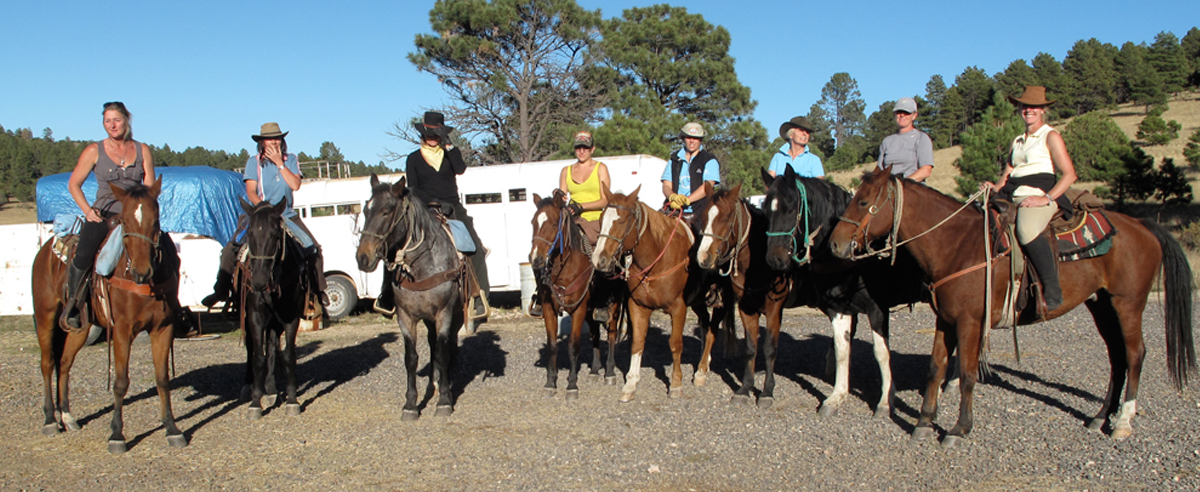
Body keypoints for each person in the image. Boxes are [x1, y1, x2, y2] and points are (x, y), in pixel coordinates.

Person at [62, 102, 192, 335]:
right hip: (105, 214)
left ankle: (174, 307)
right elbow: (74, 184)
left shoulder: (142, 150)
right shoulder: (94, 150)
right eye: (107, 121)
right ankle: (74, 305)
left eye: (117, 120)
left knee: (168, 251)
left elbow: (150, 188)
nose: (112, 125)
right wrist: (88, 211)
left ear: (127, 120)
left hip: (136, 216)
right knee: (83, 253)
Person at [374, 111, 489, 318]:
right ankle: (387, 296)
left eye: (437, 134)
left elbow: (460, 169)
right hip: (424, 208)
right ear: (422, 135)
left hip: (453, 207)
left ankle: (479, 298)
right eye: (429, 134)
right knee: (392, 246)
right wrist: (431, 204)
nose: (432, 138)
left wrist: (450, 145)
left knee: (474, 248)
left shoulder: (450, 154)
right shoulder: (413, 158)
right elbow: (413, 188)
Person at [201, 122, 329, 308]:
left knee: (312, 247)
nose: (274, 142)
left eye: (277, 138)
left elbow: (295, 185)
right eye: (269, 139)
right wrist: (263, 209)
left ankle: (317, 290)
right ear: (262, 142)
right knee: (230, 248)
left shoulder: (291, 159)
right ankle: (221, 290)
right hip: (260, 214)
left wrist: (279, 163)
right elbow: (251, 191)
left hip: (286, 214)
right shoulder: (254, 162)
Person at [981, 86, 1076, 312]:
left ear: (1043, 110)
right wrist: (994, 187)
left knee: (1026, 230)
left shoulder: (1050, 136)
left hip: (1040, 193)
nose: (1028, 110)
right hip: (1012, 193)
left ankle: (1052, 288)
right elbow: (1007, 174)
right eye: (1025, 106)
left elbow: (1069, 174)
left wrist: (1046, 199)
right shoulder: (1017, 140)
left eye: (1034, 106)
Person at [529, 131, 612, 318]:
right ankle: (541, 294)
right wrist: (559, 196)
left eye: (585, 148)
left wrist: (581, 206)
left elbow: (606, 199)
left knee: (598, 252)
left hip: (594, 218)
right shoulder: (566, 170)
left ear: (592, 149)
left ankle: (602, 301)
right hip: (571, 218)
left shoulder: (600, 168)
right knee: (545, 244)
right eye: (578, 148)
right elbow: (563, 196)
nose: (581, 151)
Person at [661, 122, 720, 216]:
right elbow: (666, 184)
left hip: (700, 212)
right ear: (683, 139)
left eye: (695, 138)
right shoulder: (674, 159)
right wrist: (672, 197)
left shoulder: (709, 160)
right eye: (688, 137)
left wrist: (686, 200)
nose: (692, 141)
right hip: (674, 209)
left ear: (701, 140)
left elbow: (707, 186)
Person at [877, 97, 934, 182]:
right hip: (889, 187)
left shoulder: (921, 138)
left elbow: (926, 171)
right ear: (894, 114)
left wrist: (902, 184)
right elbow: (879, 171)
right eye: (899, 112)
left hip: (913, 187)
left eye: (907, 113)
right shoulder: (887, 141)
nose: (902, 115)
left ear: (914, 116)